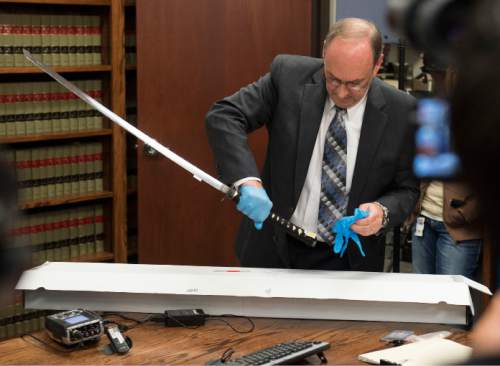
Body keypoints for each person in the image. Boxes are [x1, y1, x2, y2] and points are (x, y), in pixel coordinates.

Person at [205, 18, 419, 271]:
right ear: (324, 54)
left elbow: (407, 189)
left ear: (377, 65)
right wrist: (246, 180)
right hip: (276, 247)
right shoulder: (289, 77)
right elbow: (225, 115)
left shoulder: (401, 111)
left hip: (349, 259)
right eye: (333, 79)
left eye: (354, 84)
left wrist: (381, 213)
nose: (340, 93)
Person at [409, 58, 482, 279]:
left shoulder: (485, 123)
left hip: (458, 230)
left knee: (448, 305)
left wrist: (464, 214)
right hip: (424, 221)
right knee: (421, 299)